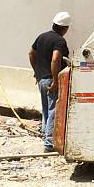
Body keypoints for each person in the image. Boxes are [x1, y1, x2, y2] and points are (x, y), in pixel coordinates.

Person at [28, 11, 71, 152]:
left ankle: (44, 134)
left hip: (41, 79)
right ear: (65, 28)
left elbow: (31, 53)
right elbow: (55, 59)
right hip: (51, 80)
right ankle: (48, 143)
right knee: (54, 110)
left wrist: (37, 72)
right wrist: (55, 80)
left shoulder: (42, 37)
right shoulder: (59, 41)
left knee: (46, 109)